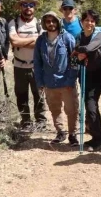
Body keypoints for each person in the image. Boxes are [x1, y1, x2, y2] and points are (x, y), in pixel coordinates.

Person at [33, 11, 80, 146]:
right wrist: (40, 82)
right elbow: (37, 62)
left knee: (71, 110)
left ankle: (72, 134)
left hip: (66, 82)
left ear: (58, 22)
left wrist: (71, 80)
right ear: (44, 24)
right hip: (49, 82)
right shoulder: (41, 40)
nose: (51, 24)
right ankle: (60, 132)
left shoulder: (67, 38)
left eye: (53, 21)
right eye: (48, 21)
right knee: (54, 109)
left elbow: (74, 61)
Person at [72, 9, 101, 151]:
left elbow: (90, 47)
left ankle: (99, 139)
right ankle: (96, 135)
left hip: (97, 76)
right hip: (84, 75)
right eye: (87, 20)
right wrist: (78, 54)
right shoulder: (79, 35)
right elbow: (75, 52)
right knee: (89, 105)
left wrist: (80, 51)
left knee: (91, 105)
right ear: (81, 22)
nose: (89, 23)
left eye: (92, 21)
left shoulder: (99, 35)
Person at [9, 0, 47, 130]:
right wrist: (34, 39)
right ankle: (25, 121)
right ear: (21, 7)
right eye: (25, 4)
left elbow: (41, 44)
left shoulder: (41, 23)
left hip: (36, 66)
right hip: (19, 65)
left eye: (31, 5)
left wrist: (22, 41)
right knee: (21, 94)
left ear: (34, 7)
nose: (28, 7)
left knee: (39, 94)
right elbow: (14, 42)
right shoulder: (14, 23)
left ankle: (41, 121)